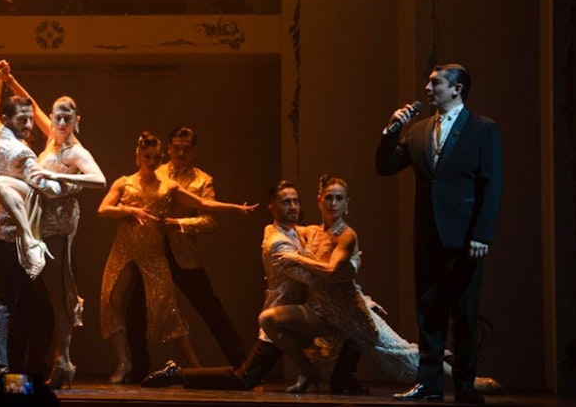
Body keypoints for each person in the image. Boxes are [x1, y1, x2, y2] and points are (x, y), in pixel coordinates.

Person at [260, 175, 503, 398]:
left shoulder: (346, 235)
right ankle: (310, 371)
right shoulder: (312, 232)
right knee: (268, 318)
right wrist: (269, 226)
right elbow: (283, 228)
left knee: (399, 353)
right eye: (329, 198)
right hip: (322, 311)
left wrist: (298, 259)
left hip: (351, 312)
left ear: (347, 203)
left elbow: (332, 271)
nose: (333, 203)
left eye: (339, 198)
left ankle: (467, 379)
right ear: (319, 201)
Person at [138, 180, 368, 394]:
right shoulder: (277, 241)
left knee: (357, 321)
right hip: (283, 316)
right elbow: (314, 277)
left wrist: (351, 259)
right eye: (286, 202)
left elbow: (322, 234)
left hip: (301, 313)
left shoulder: (297, 231)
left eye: (296, 201)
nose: (293, 207)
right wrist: (344, 273)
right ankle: (177, 374)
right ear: (272, 208)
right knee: (244, 378)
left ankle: (341, 378)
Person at [376, 63, 503, 404]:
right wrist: (391, 132)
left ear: (457, 88)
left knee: (464, 313)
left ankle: (464, 385)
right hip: (428, 236)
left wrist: (482, 234)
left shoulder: (482, 129)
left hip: (465, 239)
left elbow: (491, 186)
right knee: (428, 312)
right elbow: (386, 167)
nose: (428, 88)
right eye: (429, 82)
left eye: (436, 83)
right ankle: (429, 384)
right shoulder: (418, 131)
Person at [98, 131, 257, 383]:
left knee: (207, 309)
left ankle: (241, 367)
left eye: (186, 149)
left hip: (181, 254)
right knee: (132, 308)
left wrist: (180, 222)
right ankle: (136, 367)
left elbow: (208, 217)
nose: (181, 153)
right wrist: (127, 210)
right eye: (176, 148)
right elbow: (110, 205)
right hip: (143, 250)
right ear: (168, 150)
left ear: (193, 151)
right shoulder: (152, 171)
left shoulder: (199, 180)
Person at [0, 63, 108, 389]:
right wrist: (9, 79)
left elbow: (99, 179)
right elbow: (29, 101)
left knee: (58, 294)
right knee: (49, 293)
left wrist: (59, 175)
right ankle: (61, 360)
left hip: (59, 225)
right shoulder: (52, 139)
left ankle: (64, 359)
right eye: (56, 117)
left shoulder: (76, 150)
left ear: (77, 121)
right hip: (41, 223)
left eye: (67, 118)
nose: (59, 123)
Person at [0, 60, 66, 379]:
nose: (30, 125)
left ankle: (17, 366)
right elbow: (44, 188)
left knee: (28, 303)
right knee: (9, 301)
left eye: (30, 120)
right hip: (12, 237)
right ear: (9, 120)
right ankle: (2, 366)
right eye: (24, 120)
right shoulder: (24, 154)